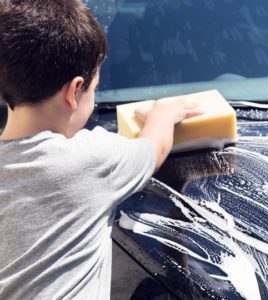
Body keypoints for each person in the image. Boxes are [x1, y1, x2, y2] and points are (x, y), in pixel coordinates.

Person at [0, 0, 200, 299]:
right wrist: (164, 113)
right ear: (73, 91)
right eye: (94, 89)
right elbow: (154, 149)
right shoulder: (92, 159)